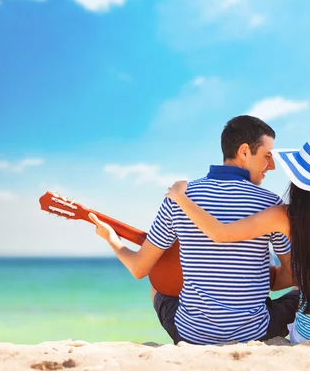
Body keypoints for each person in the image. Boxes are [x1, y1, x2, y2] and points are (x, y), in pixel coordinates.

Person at [164, 133, 310, 343]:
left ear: (298, 177)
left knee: (305, 282)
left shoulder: (286, 216)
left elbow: (220, 233)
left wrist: (181, 198)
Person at [88, 115, 298, 345]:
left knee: (156, 287)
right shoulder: (270, 203)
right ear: (245, 151)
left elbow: (139, 268)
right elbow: (290, 274)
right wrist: (252, 279)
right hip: (254, 335)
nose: (272, 166)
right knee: (302, 293)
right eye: (267, 156)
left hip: (190, 337)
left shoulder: (179, 196)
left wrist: (112, 240)